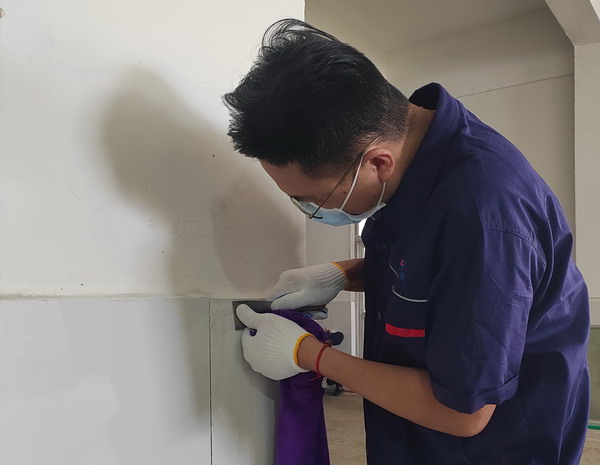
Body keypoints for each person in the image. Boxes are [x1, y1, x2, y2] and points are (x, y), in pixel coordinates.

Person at [223, 18, 590, 465]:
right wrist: (340, 275)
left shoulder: (482, 217)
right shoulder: (415, 155)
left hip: (491, 449)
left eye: (313, 199)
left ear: (377, 164)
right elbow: (424, 266)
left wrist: (310, 356)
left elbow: (463, 413)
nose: (311, 211)